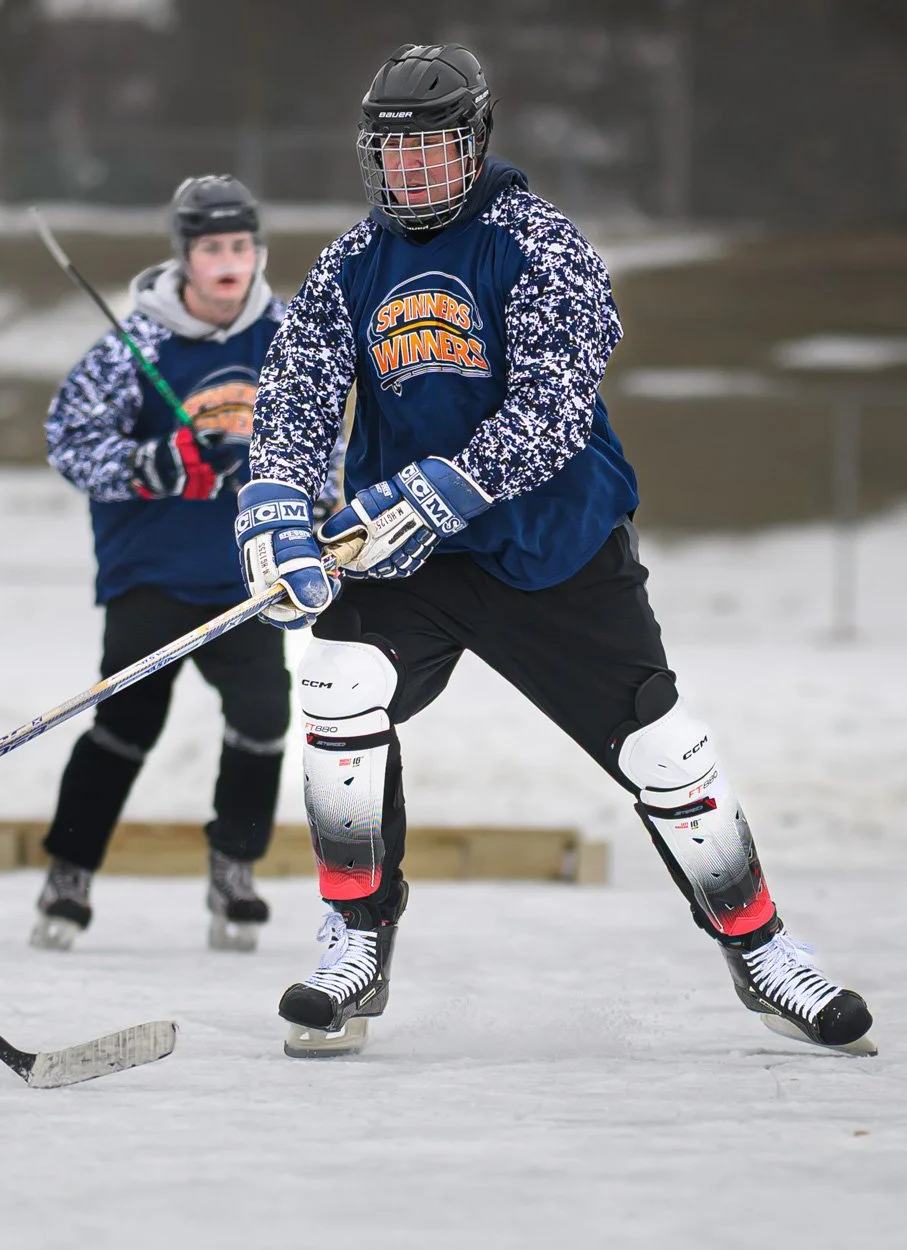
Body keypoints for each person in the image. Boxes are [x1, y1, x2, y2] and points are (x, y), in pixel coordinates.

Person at [236, 43, 873, 1056]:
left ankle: (761, 949)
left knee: (665, 746)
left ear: (477, 144)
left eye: (433, 154)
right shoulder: (351, 264)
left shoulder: (541, 243)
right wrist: (275, 511)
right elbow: (297, 395)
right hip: (415, 562)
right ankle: (356, 938)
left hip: (553, 547)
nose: (412, 176)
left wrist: (437, 489)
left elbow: (554, 405)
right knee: (336, 680)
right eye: (392, 157)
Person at [35, 176, 342, 953]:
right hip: (151, 571)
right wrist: (154, 463)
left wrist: (321, 515)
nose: (228, 261)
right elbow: (68, 444)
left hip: (245, 577)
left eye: (240, 246)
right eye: (212, 248)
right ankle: (68, 873)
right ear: (184, 258)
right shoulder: (132, 344)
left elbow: (324, 444)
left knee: (266, 718)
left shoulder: (284, 339)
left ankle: (233, 869)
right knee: (126, 723)